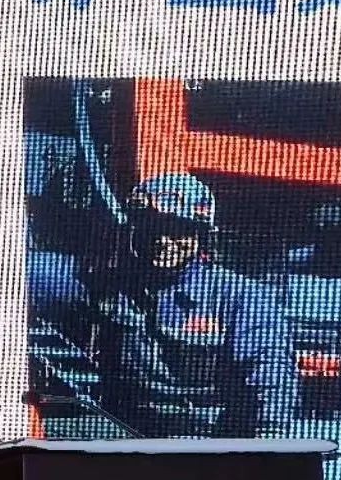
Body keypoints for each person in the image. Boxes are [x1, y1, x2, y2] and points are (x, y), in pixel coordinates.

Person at [28, 172, 301, 437]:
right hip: (124, 428)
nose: (162, 241)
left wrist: (268, 439)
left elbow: (270, 372)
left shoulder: (241, 298)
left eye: (177, 230)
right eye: (151, 228)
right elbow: (26, 274)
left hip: (204, 438)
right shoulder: (106, 283)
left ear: (200, 236)